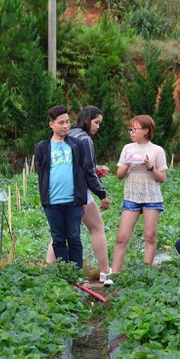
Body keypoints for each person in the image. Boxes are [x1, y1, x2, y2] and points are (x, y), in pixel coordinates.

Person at [34, 106, 108, 270]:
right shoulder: (42, 147)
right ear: (51, 125)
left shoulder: (76, 144)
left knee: (74, 237)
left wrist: (100, 193)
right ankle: (62, 273)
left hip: (74, 200)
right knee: (58, 238)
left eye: (67, 122)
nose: (66, 126)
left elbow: (86, 171)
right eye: (61, 123)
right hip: (52, 201)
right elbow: (42, 172)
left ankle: (76, 274)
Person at [110, 115, 167, 273]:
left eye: (134, 129)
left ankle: (145, 272)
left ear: (146, 130)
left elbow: (162, 178)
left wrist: (150, 166)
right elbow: (119, 175)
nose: (131, 132)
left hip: (151, 197)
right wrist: (128, 163)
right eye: (130, 129)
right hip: (131, 197)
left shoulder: (157, 150)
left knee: (150, 235)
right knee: (122, 236)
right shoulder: (128, 149)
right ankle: (114, 273)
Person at [67, 106, 112, 284]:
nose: (98, 127)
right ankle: (105, 272)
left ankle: (52, 269)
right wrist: (102, 194)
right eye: (96, 122)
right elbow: (88, 172)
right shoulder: (85, 139)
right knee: (97, 228)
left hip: (60, 190)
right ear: (86, 120)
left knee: (62, 232)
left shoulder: (67, 134)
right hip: (78, 191)